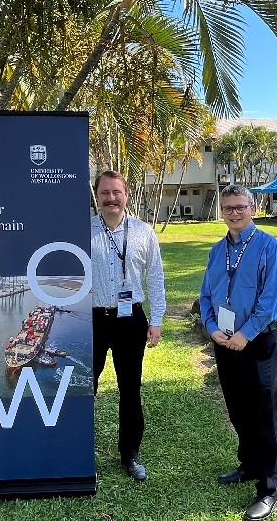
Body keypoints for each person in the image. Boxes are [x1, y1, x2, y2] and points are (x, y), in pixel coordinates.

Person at [199, 184, 277, 521]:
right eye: (228, 208)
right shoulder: (217, 250)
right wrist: (211, 329)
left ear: (252, 207)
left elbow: (273, 297)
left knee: (261, 414)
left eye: (240, 207)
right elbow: (206, 294)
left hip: (258, 342)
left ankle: (267, 489)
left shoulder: (268, 247)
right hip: (224, 341)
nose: (234, 213)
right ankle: (249, 465)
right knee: (236, 409)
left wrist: (245, 334)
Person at [89, 170, 167, 481]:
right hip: (91, 320)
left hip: (130, 319)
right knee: (84, 390)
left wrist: (157, 319)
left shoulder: (143, 232)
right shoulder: (81, 231)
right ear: (97, 196)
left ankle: (130, 454)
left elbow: (156, 278)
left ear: (126, 194)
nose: (111, 198)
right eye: (105, 192)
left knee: (130, 391)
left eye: (116, 192)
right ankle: (77, 451)